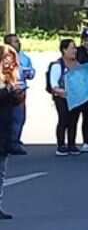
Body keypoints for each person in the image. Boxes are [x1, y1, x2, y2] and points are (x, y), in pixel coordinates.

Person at [48, 39, 84, 156]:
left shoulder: (78, 65)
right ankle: (61, 145)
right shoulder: (57, 65)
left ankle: (72, 144)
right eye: (72, 48)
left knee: (74, 121)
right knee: (63, 119)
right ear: (64, 50)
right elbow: (54, 84)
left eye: (75, 48)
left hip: (75, 97)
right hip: (61, 98)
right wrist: (61, 92)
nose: (75, 50)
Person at [0, 41, 23, 219]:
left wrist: (17, 93)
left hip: (5, 132)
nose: (9, 64)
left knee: (1, 172)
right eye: (6, 59)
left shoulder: (10, 80)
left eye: (12, 60)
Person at [2, 35, 31, 156]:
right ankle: (9, 143)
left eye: (18, 41)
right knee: (7, 119)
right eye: (15, 42)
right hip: (5, 92)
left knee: (19, 118)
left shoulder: (24, 57)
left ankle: (14, 141)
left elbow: (31, 72)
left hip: (19, 92)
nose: (18, 43)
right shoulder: (3, 56)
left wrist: (28, 72)